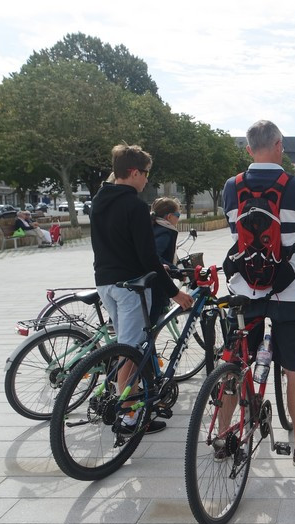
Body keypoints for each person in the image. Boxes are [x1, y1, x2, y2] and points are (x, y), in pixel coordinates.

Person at [222, 119, 295, 466]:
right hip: (289, 291)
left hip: (243, 291)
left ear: (249, 149)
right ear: (279, 145)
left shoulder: (231, 186)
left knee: (235, 363)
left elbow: (234, 232)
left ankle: (223, 436)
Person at [91, 144, 194, 435]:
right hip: (131, 287)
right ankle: (128, 416)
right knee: (132, 351)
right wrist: (175, 293)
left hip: (105, 282)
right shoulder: (135, 206)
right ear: (133, 172)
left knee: (124, 343)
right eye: (145, 173)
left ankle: (124, 399)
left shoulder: (99, 200)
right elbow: (149, 259)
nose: (147, 179)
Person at [149, 197, 183, 325]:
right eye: (178, 215)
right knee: (152, 326)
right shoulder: (165, 232)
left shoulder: (154, 227)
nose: (179, 218)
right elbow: (156, 256)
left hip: (153, 282)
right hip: (156, 283)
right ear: (169, 217)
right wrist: (174, 269)